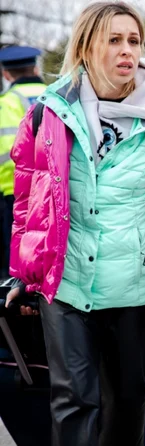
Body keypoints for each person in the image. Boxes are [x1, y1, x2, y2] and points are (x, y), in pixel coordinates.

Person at [5, 3, 145, 446]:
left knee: (127, 398)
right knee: (71, 401)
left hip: (134, 290)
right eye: (114, 40)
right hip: (66, 285)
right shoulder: (48, 116)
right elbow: (29, 201)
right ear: (86, 46)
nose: (127, 52)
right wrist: (26, 270)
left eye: (134, 41)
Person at [0, 46, 47, 279]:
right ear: (35, 68)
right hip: (54, 190)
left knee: (17, 255)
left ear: (6, 74)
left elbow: (7, 152)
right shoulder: (57, 95)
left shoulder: (7, 102)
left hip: (14, 192)